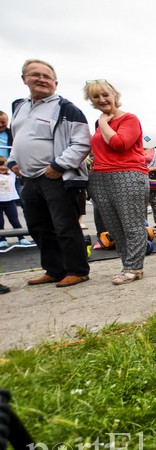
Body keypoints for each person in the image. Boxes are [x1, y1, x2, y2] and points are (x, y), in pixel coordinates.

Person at [8, 59, 91, 287]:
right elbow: (18, 139)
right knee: (38, 226)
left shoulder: (66, 108)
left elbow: (82, 143)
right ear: (25, 79)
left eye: (47, 76)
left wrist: (58, 165)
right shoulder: (19, 107)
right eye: (35, 75)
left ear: (56, 82)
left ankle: (77, 270)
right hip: (29, 178)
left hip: (57, 178)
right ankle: (54, 269)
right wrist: (13, 161)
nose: (41, 80)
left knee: (65, 226)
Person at [83, 79, 149, 285]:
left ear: (115, 95)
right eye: (96, 96)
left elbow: (120, 144)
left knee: (132, 225)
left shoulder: (129, 119)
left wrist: (103, 123)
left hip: (128, 174)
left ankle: (135, 267)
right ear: (91, 101)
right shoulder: (97, 123)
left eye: (105, 94)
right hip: (100, 177)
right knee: (114, 227)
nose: (102, 99)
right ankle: (126, 264)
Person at [0, 156, 35, 249]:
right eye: (0, 165)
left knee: (14, 220)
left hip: (10, 201)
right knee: (0, 222)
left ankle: (21, 237)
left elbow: (18, 164)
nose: (3, 167)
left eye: (4, 165)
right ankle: (2, 239)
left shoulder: (11, 173)